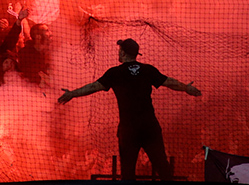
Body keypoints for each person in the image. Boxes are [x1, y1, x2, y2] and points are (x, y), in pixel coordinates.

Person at [58, 38, 201, 180]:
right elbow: (169, 82)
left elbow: (93, 87)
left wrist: (72, 93)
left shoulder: (115, 73)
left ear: (123, 52)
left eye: (120, 50)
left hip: (129, 129)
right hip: (149, 126)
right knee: (162, 166)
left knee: (127, 171)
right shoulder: (147, 70)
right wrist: (186, 88)